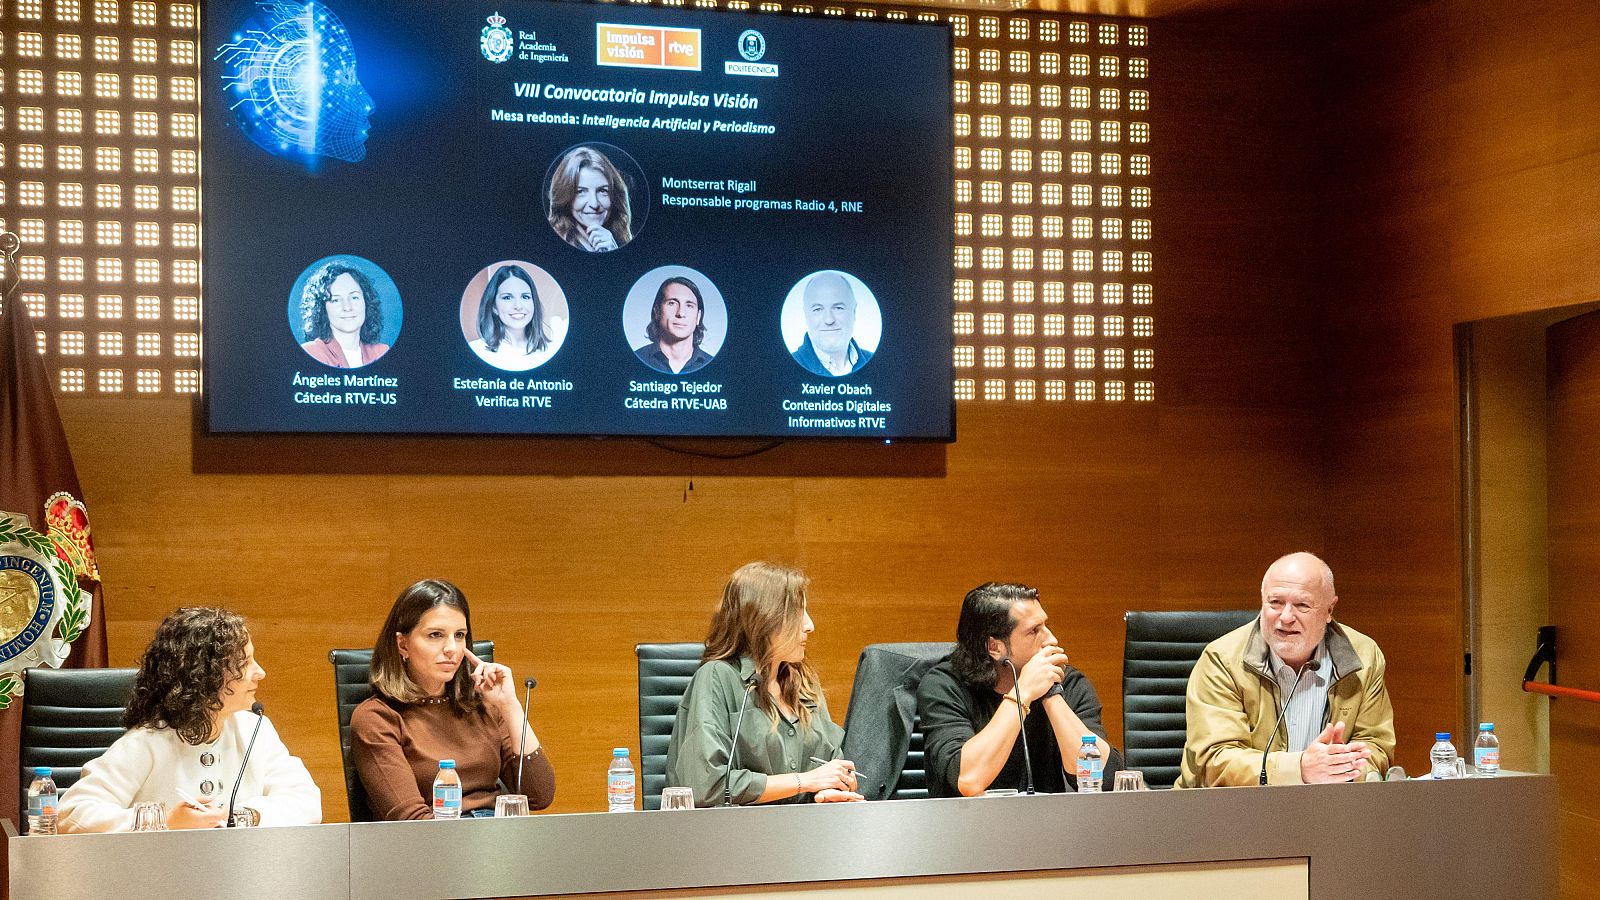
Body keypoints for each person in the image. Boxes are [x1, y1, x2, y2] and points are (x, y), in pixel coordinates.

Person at [57, 607, 321, 832]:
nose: (260, 673)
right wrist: (166, 821)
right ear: (206, 675)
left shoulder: (255, 729)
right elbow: (71, 814)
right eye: (245, 663)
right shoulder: (150, 741)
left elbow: (306, 801)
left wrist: (241, 816)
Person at [1177, 552, 1396, 788]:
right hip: (1234, 806)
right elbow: (1215, 761)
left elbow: (1376, 746)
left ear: (1329, 610)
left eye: (1302, 605)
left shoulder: (1364, 657)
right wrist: (1300, 768)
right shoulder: (1222, 660)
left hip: (1328, 803)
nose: (1286, 617)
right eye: (1275, 602)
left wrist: (1341, 767)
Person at [351, 579, 555, 819]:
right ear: (402, 644)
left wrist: (509, 705)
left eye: (459, 635)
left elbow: (538, 795)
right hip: (437, 838)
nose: (452, 648)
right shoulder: (377, 718)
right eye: (435, 635)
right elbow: (412, 822)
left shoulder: (483, 706)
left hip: (498, 833)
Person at [665, 562, 862, 806]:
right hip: (737, 828)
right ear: (764, 619)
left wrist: (830, 790)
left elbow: (828, 768)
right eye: (798, 613)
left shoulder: (803, 683)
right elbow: (707, 785)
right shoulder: (717, 677)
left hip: (805, 825)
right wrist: (804, 781)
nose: (809, 625)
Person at [917, 582, 1120, 797]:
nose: (1051, 639)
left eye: (1046, 625)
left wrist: (1051, 694)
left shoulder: (1069, 682)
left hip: (1047, 817)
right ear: (995, 647)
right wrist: (1022, 692)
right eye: (1034, 631)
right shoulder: (944, 686)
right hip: (969, 818)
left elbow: (1106, 779)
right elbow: (969, 780)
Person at [467, 263, 567, 371]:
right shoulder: (475, 351)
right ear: (494, 307)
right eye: (507, 297)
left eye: (525, 297)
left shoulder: (552, 351)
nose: (518, 306)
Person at [299, 260, 390, 368]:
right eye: (336, 300)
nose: (347, 307)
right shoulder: (311, 352)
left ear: (366, 302)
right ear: (322, 309)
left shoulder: (382, 352)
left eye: (354, 297)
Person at [547, 146, 633, 252]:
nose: (594, 204)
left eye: (602, 191)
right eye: (581, 192)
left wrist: (613, 252)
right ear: (565, 197)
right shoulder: (551, 245)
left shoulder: (618, 241)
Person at [792, 272, 872, 377]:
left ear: (854, 311)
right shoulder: (785, 368)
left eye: (838, 308)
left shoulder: (878, 364)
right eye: (818, 309)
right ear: (806, 315)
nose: (829, 320)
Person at [634, 275, 714, 375]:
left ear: (698, 316)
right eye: (672, 303)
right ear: (657, 311)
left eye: (689, 305)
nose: (681, 313)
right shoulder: (634, 360)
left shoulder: (714, 366)